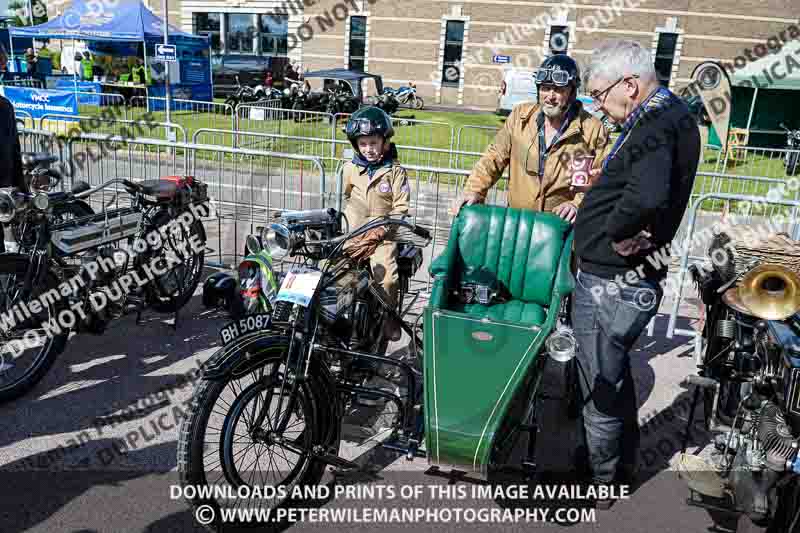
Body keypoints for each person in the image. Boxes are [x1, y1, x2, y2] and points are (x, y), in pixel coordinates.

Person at [570, 39, 701, 508]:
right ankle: (619, 469)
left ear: (630, 84)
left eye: (601, 95)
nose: (600, 109)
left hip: (612, 279)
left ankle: (600, 483)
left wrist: (614, 228)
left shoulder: (658, 120)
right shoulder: (669, 113)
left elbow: (645, 197)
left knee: (600, 384)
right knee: (615, 372)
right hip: (620, 276)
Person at [451, 55, 611, 223]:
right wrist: (474, 190)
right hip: (518, 226)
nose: (550, 96)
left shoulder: (593, 130)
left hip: (560, 231)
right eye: (545, 88)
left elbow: (603, 179)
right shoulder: (520, 117)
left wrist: (577, 204)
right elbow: (493, 158)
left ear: (572, 92)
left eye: (558, 89)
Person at [341, 106, 410, 343]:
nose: (368, 149)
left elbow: (401, 208)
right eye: (363, 144)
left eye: (373, 143)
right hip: (354, 234)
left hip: (383, 235)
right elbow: (346, 196)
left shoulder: (395, 172)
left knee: (387, 279)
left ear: (384, 142)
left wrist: (382, 230)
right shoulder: (349, 168)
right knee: (335, 274)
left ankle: (390, 316)